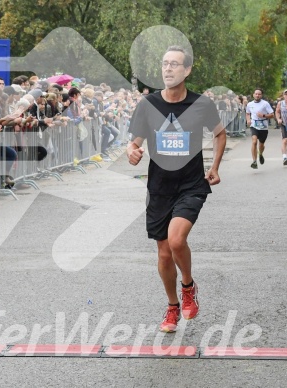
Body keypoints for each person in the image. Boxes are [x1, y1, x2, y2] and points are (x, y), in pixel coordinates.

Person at [127, 46, 226, 333]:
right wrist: (132, 151)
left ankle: (188, 286)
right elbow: (135, 142)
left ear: (187, 70)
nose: (168, 69)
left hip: (191, 184)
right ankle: (172, 306)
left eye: (174, 64)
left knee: (176, 240)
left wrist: (216, 166)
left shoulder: (202, 104)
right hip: (159, 186)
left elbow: (220, 133)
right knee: (163, 254)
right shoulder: (148, 105)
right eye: (164, 64)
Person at [246, 88, 274, 169]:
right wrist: (248, 120)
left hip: (263, 127)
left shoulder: (265, 104)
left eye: (259, 94)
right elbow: (248, 113)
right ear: (253, 95)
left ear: (261, 95)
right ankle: (254, 161)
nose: (257, 95)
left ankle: (260, 154)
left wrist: (264, 115)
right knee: (254, 142)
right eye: (256, 94)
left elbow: (272, 115)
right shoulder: (249, 104)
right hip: (254, 125)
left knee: (261, 145)